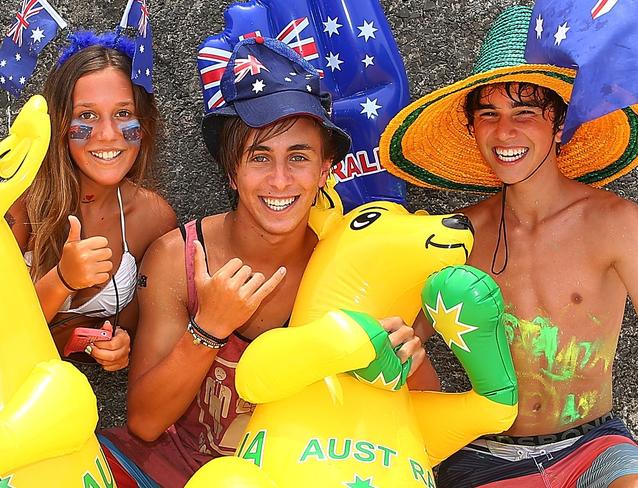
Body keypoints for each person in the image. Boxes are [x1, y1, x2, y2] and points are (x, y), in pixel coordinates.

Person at [100, 37, 428, 487]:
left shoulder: (351, 258)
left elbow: (421, 420)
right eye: (259, 157)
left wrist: (406, 357)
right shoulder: (179, 258)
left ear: (325, 169)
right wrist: (209, 328)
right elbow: (145, 422)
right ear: (231, 171)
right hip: (176, 471)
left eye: (298, 157)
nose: (279, 180)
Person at [380, 5, 638, 487]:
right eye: (489, 114)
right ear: (473, 128)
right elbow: (410, 356)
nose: (505, 132)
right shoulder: (455, 234)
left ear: (560, 124)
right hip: (485, 450)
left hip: (595, 445)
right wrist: (396, 350)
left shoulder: (615, 222)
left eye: (525, 112)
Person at [6, 31, 177, 372]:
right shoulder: (19, 201)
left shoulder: (152, 218)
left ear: (143, 123)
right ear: (60, 123)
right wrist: (62, 280)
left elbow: (131, 324)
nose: (108, 134)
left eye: (123, 112)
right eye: (87, 115)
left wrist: (117, 344)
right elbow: (6, 333)